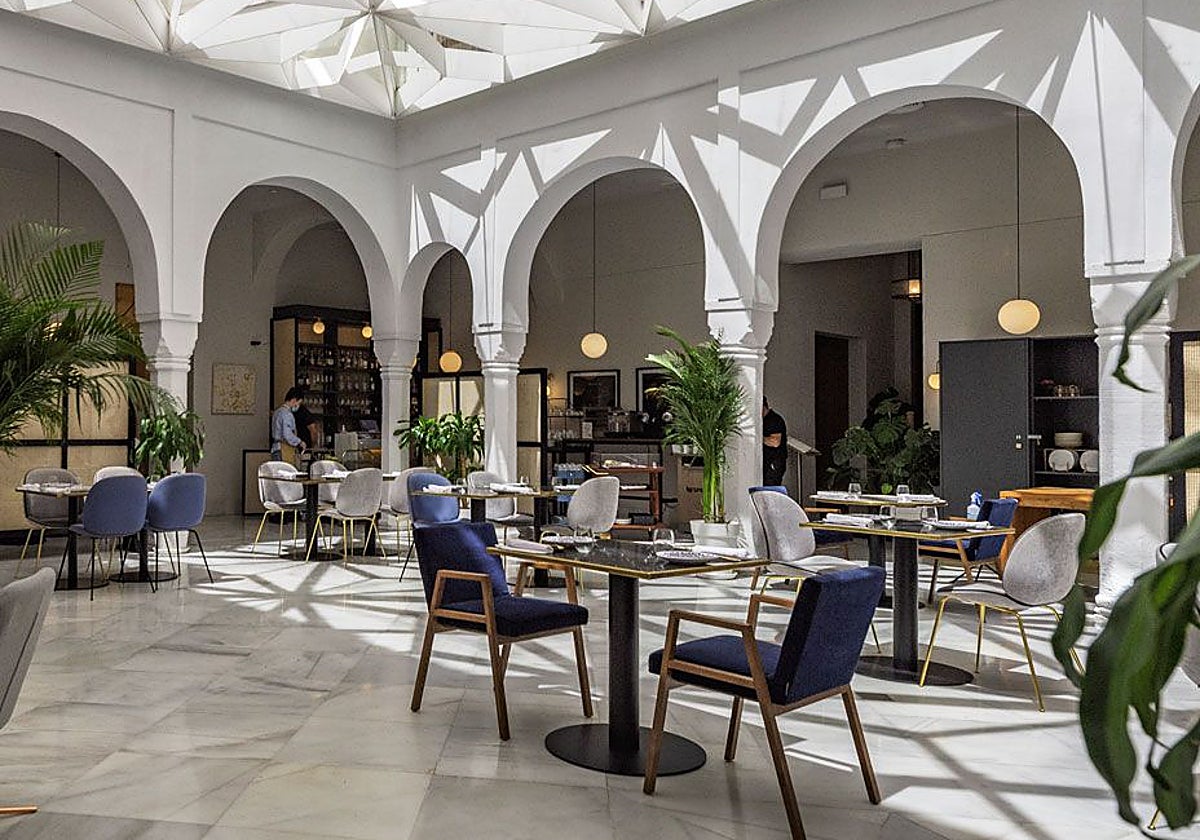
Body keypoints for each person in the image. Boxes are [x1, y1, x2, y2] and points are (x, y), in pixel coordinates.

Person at [271, 387, 307, 465]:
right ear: (294, 400)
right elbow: (287, 435)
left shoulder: (277, 412)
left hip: (275, 449)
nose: (298, 406)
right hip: (283, 449)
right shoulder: (287, 414)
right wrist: (300, 442)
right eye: (299, 403)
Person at [762, 397, 787, 486]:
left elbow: (775, 442)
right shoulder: (763, 420)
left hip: (773, 463)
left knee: (770, 490)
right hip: (766, 463)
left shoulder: (774, 420)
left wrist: (759, 439)